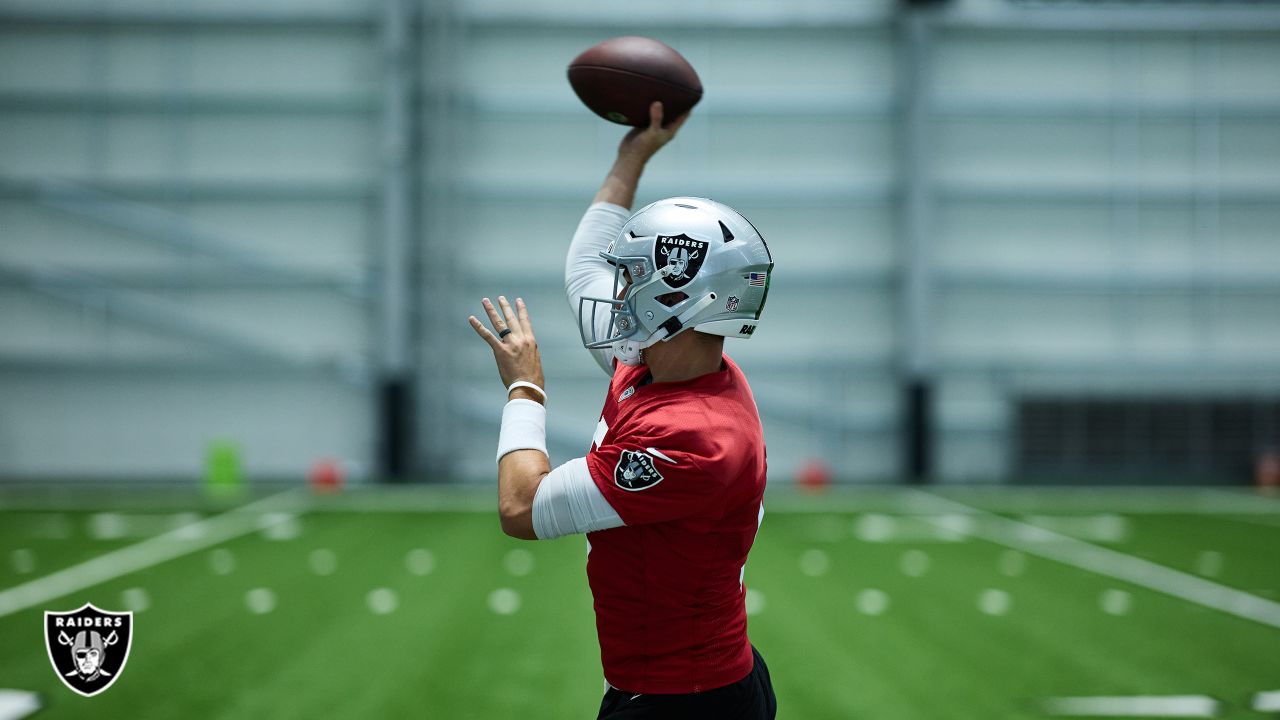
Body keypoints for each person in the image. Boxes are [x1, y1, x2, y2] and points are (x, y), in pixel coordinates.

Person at [468, 101, 777, 719]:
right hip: (681, 684)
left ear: (679, 299)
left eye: (633, 276)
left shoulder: (694, 440)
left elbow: (521, 507)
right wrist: (631, 157)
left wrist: (524, 389)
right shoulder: (665, 362)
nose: (618, 291)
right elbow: (584, 266)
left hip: (685, 702)